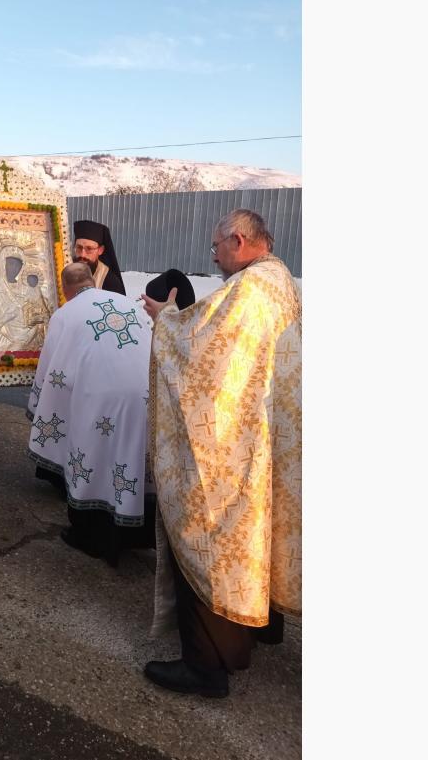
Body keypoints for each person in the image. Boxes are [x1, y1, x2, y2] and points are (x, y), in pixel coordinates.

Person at [139, 208, 301, 699]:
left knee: (208, 534)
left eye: (216, 246)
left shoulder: (249, 290)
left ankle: (206, 666)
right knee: (254, 538)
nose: (213, 256)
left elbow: (201, 351)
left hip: (232, 443)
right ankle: (256, 629)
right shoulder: (279, 279)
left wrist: (165, 319)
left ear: (239, 239)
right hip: (264, 433)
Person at [27, 262, 151, 567]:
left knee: (94, 458)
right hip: (145, 393)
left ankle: (94, 536)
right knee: (132, 457)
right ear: (91, 282)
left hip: (99, 399)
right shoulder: (126, 303)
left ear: (65, 289)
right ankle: (134, 534)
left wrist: (40, 400)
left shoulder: (65, 314)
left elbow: (53, 367)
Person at [72, 220, 126, 295]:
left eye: (89, 249)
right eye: (79, 247)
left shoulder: (110, 283)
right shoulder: (66, 270)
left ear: (100, 250)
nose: (82, 254)